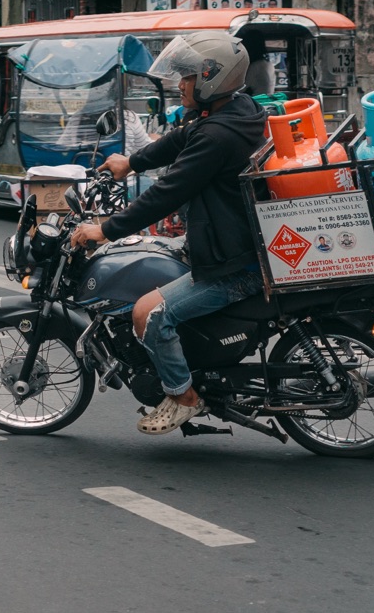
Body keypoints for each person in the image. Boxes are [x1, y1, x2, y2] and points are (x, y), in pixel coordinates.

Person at [67, 30, 268, 435]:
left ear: (213, 78)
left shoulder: (217, 136)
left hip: (235, 264)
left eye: (189, 76)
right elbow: (181, 138)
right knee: (156, 254)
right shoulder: (237, 110)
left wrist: (105, 229)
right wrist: (132, 162)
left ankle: (182, 396)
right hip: (229, 240)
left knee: (148, 313)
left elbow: (166, 194)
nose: (180, 84)